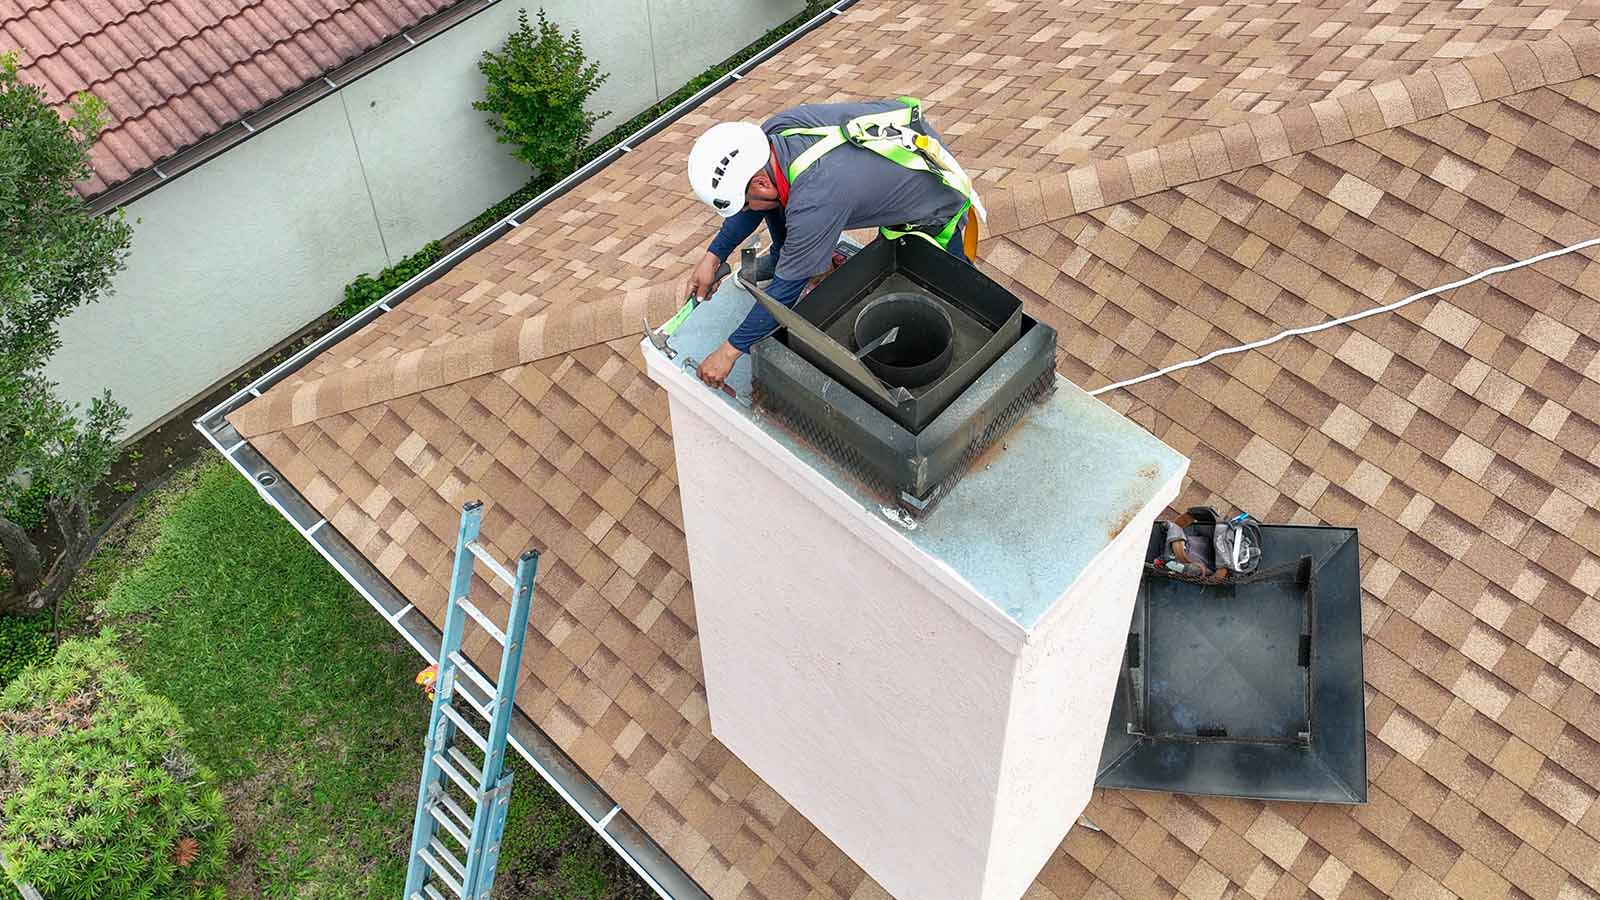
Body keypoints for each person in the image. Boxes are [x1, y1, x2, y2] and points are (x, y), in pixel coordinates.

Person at [683, 98, 984, 388]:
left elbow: (785, 293)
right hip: (900, 156)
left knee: (950, 287)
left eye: (745, 205)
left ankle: (981, 345)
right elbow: (761, 202)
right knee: (777, 204)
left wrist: (728, 352)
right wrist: (712, 258)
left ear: (759, 183)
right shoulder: (774, 135)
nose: (747, 213)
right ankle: (800, 257)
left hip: (934, 199)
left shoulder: (816, 199)